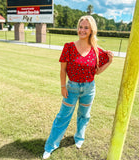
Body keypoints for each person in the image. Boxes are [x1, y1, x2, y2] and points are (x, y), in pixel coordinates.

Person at [43, 15, 114, 159]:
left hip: (89, 89)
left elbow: (96, 72)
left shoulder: (96, 50)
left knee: (84, 116)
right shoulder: (69, 47)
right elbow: (63, 70)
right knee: (63, 117)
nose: (82, 30)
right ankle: (50, 146)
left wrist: (109, 62)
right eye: (80, 27)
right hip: (72, 88)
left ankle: (79, 138)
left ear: (91, 30)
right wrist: (63, 86)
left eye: (86, 27)